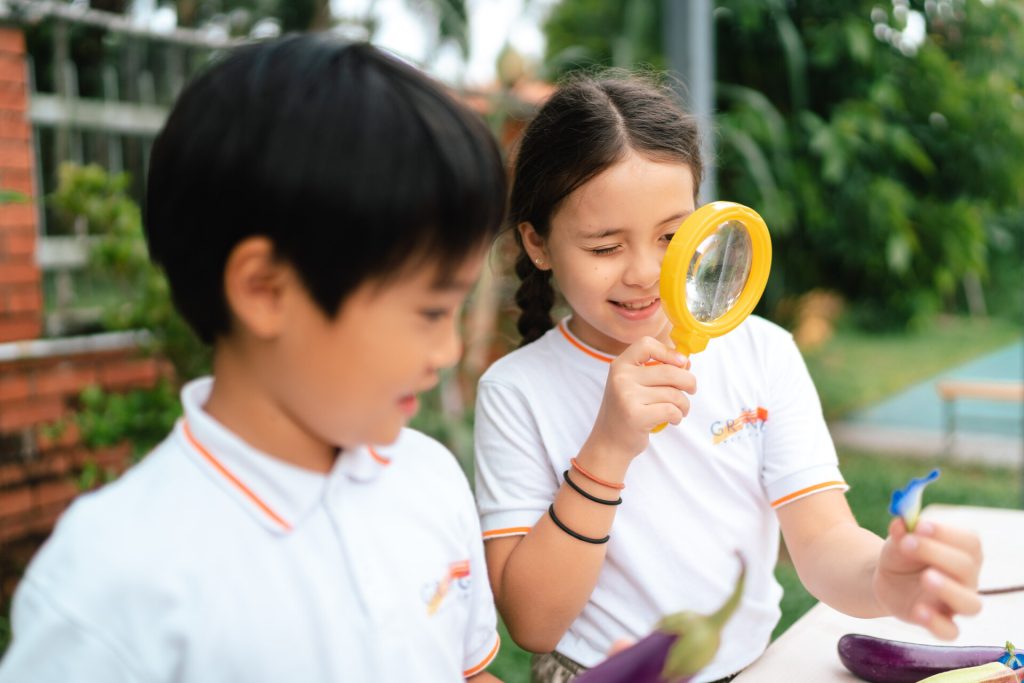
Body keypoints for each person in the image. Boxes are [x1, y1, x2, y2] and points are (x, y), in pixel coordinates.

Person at [0, 35, 508, 682]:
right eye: (432, 312)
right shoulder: (110, 584)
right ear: (265, 291)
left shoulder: (429, 478)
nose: (451, 349)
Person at [473, 73, 983, 683]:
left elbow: (822, 540)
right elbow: (533, 625)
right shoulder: (515, 392)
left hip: (754, 669)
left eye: (671, 236)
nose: (645, 273)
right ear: (538, 244)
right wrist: (607, 449)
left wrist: (882, 576)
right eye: (605, 247)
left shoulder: (763, 353)